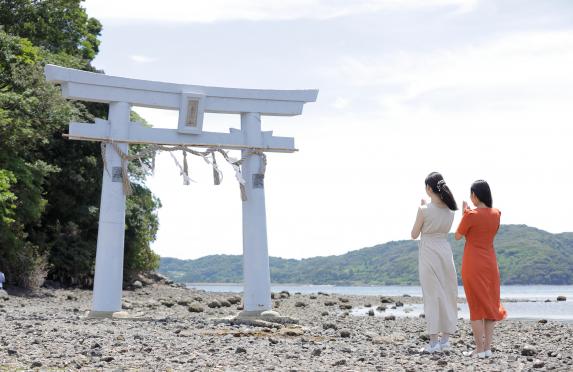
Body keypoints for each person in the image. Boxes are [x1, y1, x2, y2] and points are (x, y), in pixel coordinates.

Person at [455, 180, 507, 359]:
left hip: (473, 264)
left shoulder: (471, 215)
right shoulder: (496, 214)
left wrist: (464, 214)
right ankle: (487, 348)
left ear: (475, 195)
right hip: (490, 263)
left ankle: (479, 349)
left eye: (471, 194)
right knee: (490, 304)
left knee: (476, 306)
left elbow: (458, 236)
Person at [411, 172, 459, 353]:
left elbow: (414, 234)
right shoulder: (450, 210)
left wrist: (423, 208)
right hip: (445, 252)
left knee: (431, 296)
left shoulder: (424, 210)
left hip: (429, 252)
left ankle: (433, 343)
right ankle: (445, 341)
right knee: (448, 294)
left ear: (429, 189)